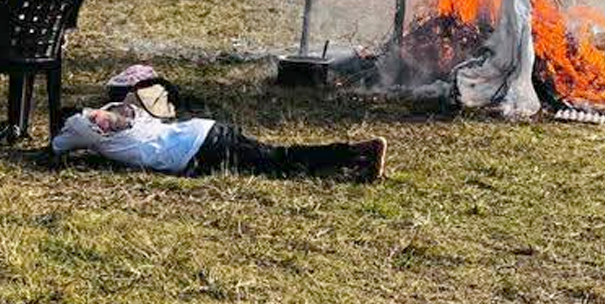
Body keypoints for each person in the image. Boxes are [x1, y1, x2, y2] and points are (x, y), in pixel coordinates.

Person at [52, 102, 385, 183]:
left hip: (199, 150)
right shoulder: (122, 109)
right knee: (274, 160)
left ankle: (357, 153)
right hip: (203, 131)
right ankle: (352, 162)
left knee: (278, 161)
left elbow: (56, 147)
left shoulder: (78, 127)